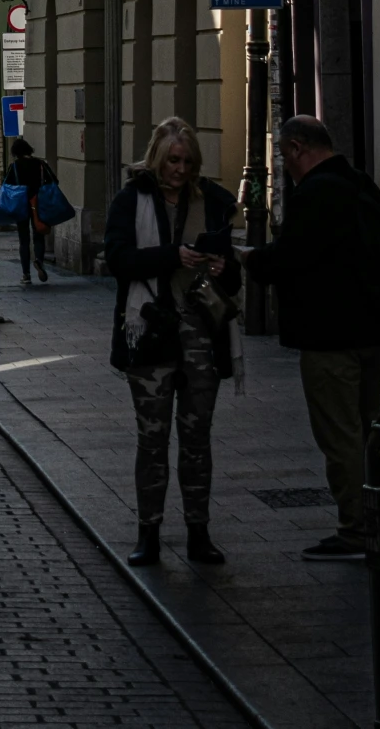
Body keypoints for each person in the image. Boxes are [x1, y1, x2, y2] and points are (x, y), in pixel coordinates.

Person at [243, 113, 380, 560]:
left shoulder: (316, 194)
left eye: (284, 157)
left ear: (299, 148)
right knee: (368, 430)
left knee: (341, 437)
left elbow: (292, 257)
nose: (286, 167)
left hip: (331, 339)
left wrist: (251, 260)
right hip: (374, 335)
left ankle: (357, 531)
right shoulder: (359, 184)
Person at [104, 116, 240, 568]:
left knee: (197, 437)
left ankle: (199, 532)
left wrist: (222, 268)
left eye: (188, 161)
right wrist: (171, 256)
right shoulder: (131, 200)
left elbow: (234, 274)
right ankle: (150, 533)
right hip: (151, 334)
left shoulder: (214, 202)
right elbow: (119, 260)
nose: (180, 170)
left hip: (202, 333)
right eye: (173, 161)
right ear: (158, 159)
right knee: (153, 439)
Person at [5, 136, 55, 286]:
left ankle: (26, 274)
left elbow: (7, 185)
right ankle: (39, 260)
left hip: (21, 205)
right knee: (38, 234)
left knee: (24, 239)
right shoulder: (40, 164)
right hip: (38, 203)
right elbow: (53, 180)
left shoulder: (14, 167)